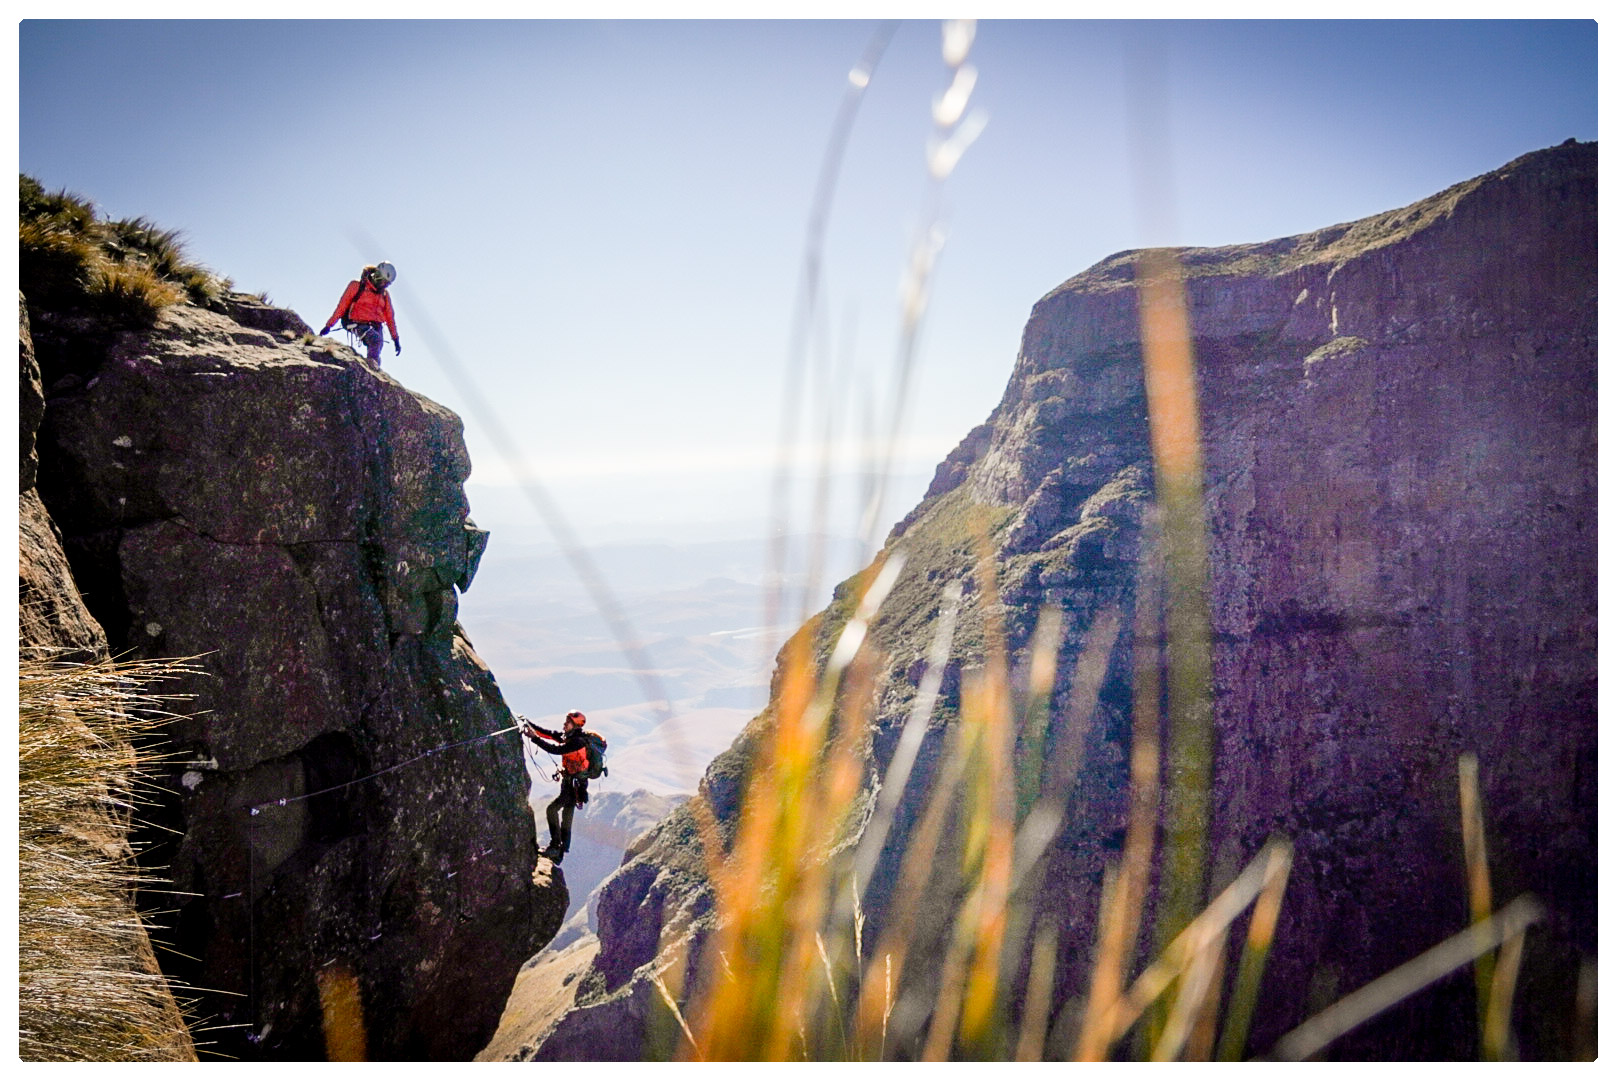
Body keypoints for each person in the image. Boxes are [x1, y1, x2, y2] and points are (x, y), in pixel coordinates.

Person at [523, 710, 593, 864]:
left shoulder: (577, 742)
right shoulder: (568, 737)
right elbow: (548, 734)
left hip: (574, 786)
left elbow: (555, 750)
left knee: (552, 809)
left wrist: (534, 738)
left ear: (574, 726)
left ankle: (555, 847)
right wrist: (528, 723)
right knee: (566, 819)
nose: (564, 724)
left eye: (567, 722)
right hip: (571, 783)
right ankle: (559, 853)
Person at [319, 262, 400, 368]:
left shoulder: (384, 295)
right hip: (357, 323)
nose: (384, 285)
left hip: (376, 325)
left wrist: (395, 339)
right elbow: (342, 307)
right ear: (377, 276)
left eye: (387, 284)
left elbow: (390, 318)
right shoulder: (356, 286)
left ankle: (373, 368)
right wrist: (329, 325)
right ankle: (372, 369)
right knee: (375, 341)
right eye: (383, 282)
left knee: (377, 346)